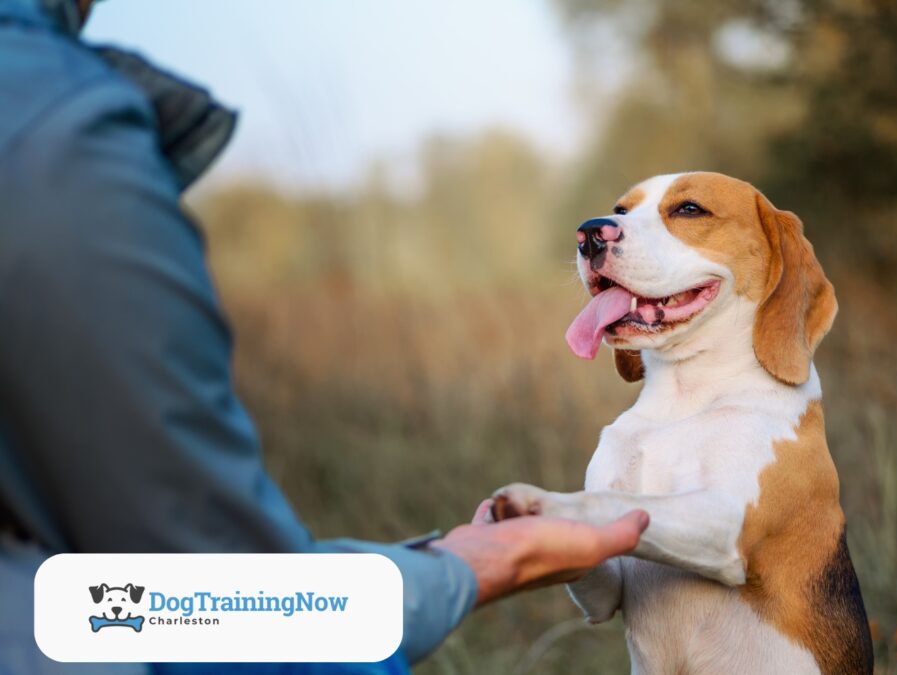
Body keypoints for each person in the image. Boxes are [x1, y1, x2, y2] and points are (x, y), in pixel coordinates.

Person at [0, 1, 649, 672]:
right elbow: (224, 610)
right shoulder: (54, 137)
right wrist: (470, 570)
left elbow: (132, 596)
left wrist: (444, 565)